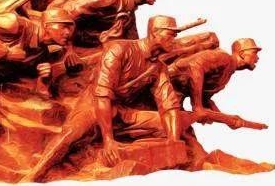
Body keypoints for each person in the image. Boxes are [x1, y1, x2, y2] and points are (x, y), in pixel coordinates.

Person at [23, 15, 187, 182]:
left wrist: (173, 141)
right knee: (70, 135)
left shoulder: (159, 68)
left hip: (121, 112)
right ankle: (33, 175)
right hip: (94, 105)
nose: (174, 40)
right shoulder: (119, 49)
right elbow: (103, 95)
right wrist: (109, 140)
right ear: (155, 33)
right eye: (171, 34)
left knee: (171, 125)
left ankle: (121, 153)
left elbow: (168, 105)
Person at [168, 37, 262, 116]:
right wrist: (197, 106)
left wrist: (222, 116)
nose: (257, 58)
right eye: (254, 53)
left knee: (181, 128)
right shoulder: (224, 58)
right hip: (166, 81)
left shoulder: (228, 71)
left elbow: (204, 96)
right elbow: (194, 67)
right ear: (242, 54)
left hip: (174, 95)